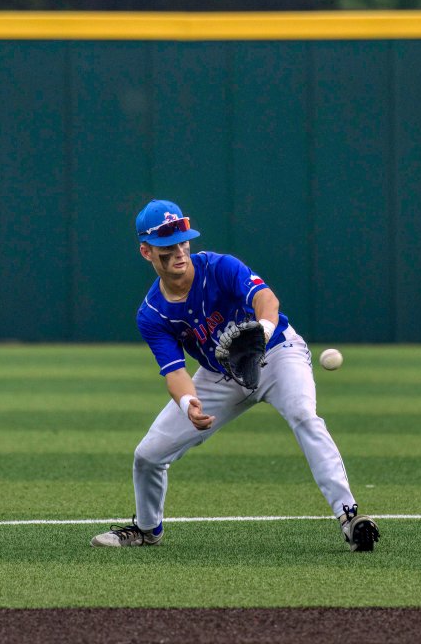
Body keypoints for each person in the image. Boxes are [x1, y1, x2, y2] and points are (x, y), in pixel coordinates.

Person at [90, 199, 379, 552]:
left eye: (183, 242)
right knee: (148, 454)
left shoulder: (219, 267)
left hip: (277, 354)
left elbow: (267, 300)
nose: (179, 252)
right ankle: (148, 529)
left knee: (304, 415)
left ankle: (349, 517)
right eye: (167, 246)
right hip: (220, 375)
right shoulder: (152, 313)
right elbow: (175, 371)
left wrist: (263, 332)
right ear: (146, 251)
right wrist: (188, 404)